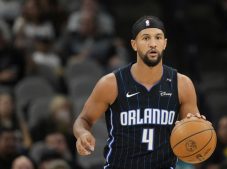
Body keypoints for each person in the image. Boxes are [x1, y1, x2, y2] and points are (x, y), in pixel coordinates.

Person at [73, 15, 209, 169]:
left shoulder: (182, 84)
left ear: (164, 43)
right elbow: (83, 120)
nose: (152, 44)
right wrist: (82, 134)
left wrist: (198, 129)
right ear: (134, 44)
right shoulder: (111, 83)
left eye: (158, 37)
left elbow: (192, 141)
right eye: (145, 38)